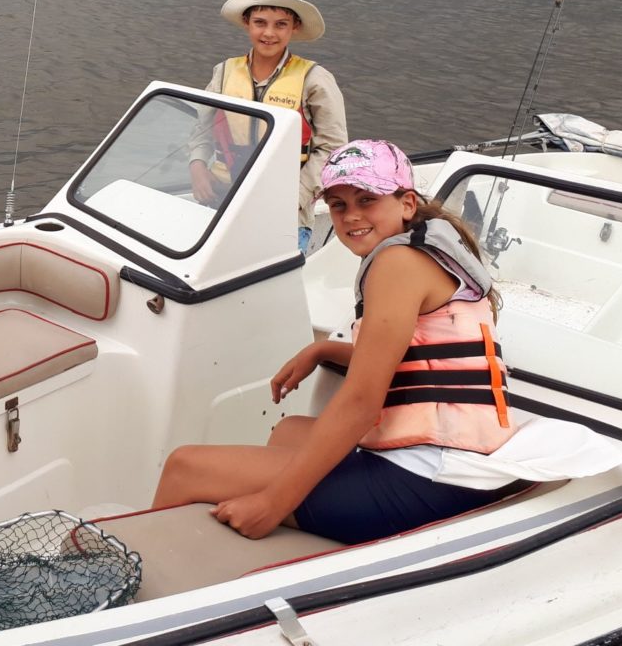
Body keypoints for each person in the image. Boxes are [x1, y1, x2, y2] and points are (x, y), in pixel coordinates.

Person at [153, 139, 533, 544]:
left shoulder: (397, 263)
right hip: (462, 469)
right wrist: (322, 349)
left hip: (423, 481)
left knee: (185, 466)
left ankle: (134, 586)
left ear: (406, 203)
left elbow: (361, 404)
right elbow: (411, 358)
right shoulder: (429, 250)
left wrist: (272, 503)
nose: (351, 216)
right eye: (338, 205)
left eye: (366, 200)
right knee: (290, 431)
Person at [188, 0, 347, 253]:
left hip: (285, 214)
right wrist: (198, 165)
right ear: (247, 23)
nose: (269, 33)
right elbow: (202, 128)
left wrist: (295, 195)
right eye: (260, 22)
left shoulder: (315, 79)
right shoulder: (223, 72)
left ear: (294, 27)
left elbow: (333, 147)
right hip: (221, 199)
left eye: (280, 24)